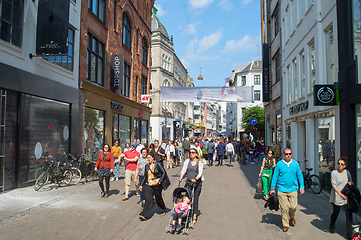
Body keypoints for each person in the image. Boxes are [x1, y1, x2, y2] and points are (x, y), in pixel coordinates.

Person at [270, 148, 304, 232]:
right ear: (283, 154)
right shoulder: (279, 164)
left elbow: (299, 175)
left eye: (290, 154)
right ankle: (285, 224)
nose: (288, 155)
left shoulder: (295, 164)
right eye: (286, 154)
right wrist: (272, 188)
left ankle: (291, 216)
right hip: (282, 189)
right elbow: (275, 176)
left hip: (293, 189)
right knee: (284, 208)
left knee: (293, 206)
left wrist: (302, 186)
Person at [139, 152, 169, 220]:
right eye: (147, 158)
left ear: (153, 157)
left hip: (157, 184)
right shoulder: (147, 166)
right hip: (149, 184)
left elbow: (164, 173)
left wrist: (160, 181)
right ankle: (144, 215)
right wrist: (141, 185)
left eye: (150, 157)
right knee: (148, 199)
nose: (149, 159)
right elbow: (145, 176)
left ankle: (163, 209)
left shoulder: (158, 164)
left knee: (158, 198)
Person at [329, 156, 353, 239]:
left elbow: (350, 181)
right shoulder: (334, 173)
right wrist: (340, 194)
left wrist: (350, 184)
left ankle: (349, 235)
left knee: (349, 215)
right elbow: (334, 185)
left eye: (341, 164)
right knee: (336, 212)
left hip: (346, 196)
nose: (339, 165)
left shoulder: (347, 172)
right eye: (338, 163)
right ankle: (332, 225)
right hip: (337, 195)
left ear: (345, 166)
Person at [179, 147, 204, 224]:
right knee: (186, 199)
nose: (191, 153)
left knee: (195, 199)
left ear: (196, 154)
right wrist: (181, 177)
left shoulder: (200, 162)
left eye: (193, 152)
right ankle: (185, 214)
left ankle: (194, 216)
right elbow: (183, 170)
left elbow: (200, 172)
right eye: (190, 152)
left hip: (197, 183)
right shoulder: (187, 161)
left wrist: (196, 179)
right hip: (188, 182)